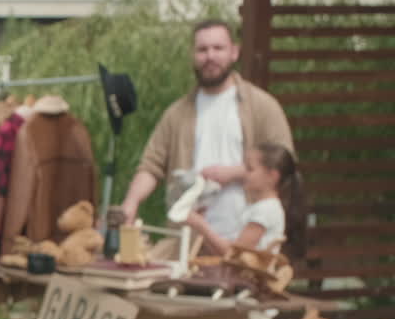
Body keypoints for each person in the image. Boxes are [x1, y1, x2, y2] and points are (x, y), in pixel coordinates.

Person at [118, 19, 294, 242]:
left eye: (218, 48)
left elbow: (285, 163)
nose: (210, 56)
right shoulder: (177, 113)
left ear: (234, 52)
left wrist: (233, 173)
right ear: (193, 56)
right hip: (187, 239)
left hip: (246, 241)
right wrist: (130, 203)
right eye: (202, 49)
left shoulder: (262, 105)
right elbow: (151, 166)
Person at [185, 142, 305, 319]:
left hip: (254, 297)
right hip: (248, 296)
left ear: (272, 177)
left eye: (250, 169)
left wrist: (201, 226)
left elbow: (235, 255)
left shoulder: (265, 211)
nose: (243, 174)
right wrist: (204, 225)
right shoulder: (263, 208)